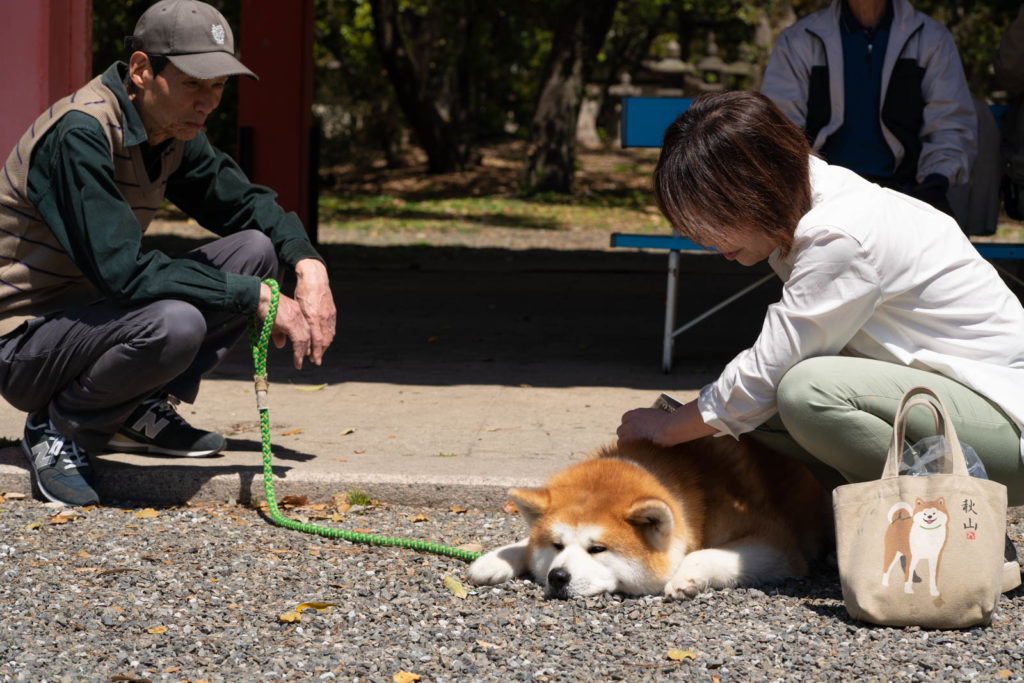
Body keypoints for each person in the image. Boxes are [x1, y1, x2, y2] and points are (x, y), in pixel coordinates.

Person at [617, 91, 1024, 518]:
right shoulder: (807, 203)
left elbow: (766, 374)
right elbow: (751, 392)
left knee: (804, 391)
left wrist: (668, 428)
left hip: (1006, 425)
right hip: (957, 407)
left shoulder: (838, 235)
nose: (708, 241)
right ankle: (838, 522)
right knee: (753, 413)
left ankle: (950, 523)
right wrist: (691, 421)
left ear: (755, 188)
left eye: (714, 217)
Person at [0, 0, 336, 506]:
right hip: (20, 341)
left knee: (256, 251)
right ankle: (62, 426)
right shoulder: (80, 134)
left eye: (218, 87)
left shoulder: (169, 129)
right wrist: (256, 297)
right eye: (194, 84)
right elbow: (124, 273)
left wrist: (308, 263)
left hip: (89, 323)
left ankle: (132, 407)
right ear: (141, 71)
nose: (207, 103)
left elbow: (245, 205)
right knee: (176, 323)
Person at [759, 0, 981, 227]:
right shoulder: (799, 40)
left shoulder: (932, 38)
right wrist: (808, 188)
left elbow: (950, 124)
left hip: (910, 195)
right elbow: (781, 130)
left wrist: (935, 182)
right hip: (822, 198)